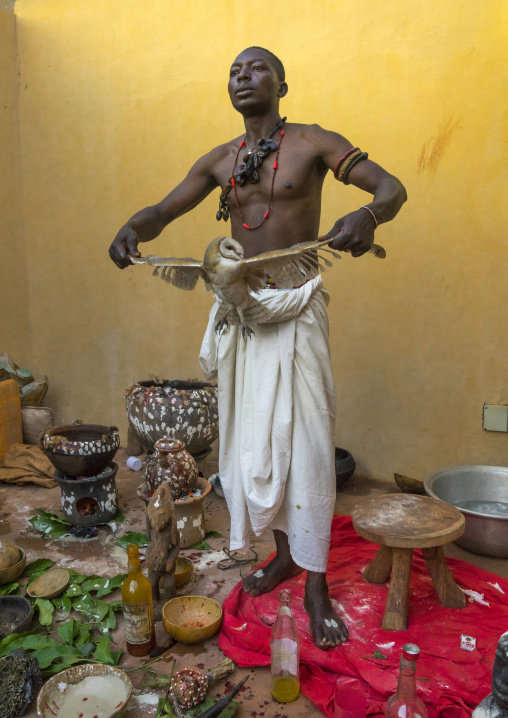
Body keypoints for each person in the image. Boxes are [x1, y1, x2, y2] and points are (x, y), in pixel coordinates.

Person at [109, 46, 407, 648]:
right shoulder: (222, 160)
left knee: (310, 448)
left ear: (282, 83)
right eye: (234, 71)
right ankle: (283, 556)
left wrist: (369, 216)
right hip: (243, 317)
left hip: (296, 311)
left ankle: (316, 583)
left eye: (256, 68)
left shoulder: (314, 142)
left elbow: (392, 187)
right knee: (256, 446)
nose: (243, 77)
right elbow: (164, 211)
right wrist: (131, 229)